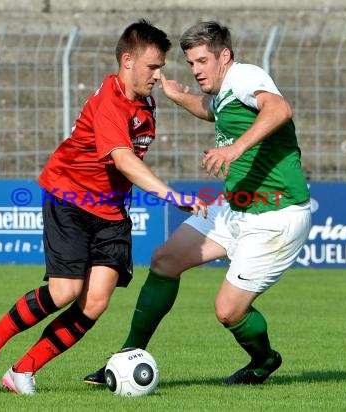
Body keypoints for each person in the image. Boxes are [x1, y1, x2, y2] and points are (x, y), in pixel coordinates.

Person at [0, 19, 207, 395]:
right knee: (64, 291)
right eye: (153, 67)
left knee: (94, 302)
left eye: (161, 67)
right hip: (71, 198)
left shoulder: (145, 103)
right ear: (127, 61)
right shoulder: (110, 102)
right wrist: (171, 195)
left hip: (110, 212)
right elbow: (125, 160)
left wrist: (179, 97)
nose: (158, 75)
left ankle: (23, 371)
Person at [83, 20, 311, 386]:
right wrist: (177, 96)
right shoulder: (227, 91)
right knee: (164, 260)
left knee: (227, 311)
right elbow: (212, 109)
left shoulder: (246, 75)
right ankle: (124, 357)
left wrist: (234, 148)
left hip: (275, 216)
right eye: (191, 63)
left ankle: (264, 360)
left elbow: (279, 109)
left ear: (225, 56)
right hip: (236, 208)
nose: (196, 70)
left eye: (203, 61)